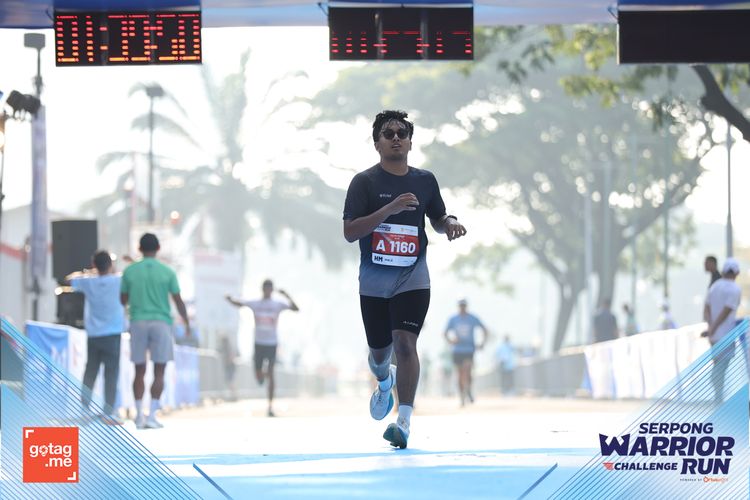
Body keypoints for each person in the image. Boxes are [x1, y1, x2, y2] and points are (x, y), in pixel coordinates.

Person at [342, 110, 467, 449]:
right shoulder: (364, 182)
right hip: (374, 283)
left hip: (413, 277)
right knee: (379, 356)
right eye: (388, 133)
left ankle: (404, 421)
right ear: (377, 143)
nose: (396, 138)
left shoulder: (425, 180)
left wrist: (450, 223)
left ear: (410, 142)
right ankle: (385, 382)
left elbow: (438, 216)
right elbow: (350, 232)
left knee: (405, 344)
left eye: (402, 133)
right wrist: (389, 209)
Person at [121, 233, 190, 429]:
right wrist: (186, 323)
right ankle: (151, 415)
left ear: (139, 248)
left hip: (138, 322)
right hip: (161, 323)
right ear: (158, 248)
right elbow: (178, 300)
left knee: (139, 369)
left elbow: (122, 300)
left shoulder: (130, 271)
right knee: (159, 370)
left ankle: (138, 416)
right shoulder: (167, 272)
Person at [225, 279, 299, 417]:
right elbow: (240, 304)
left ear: (272, 290)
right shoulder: (256, 303)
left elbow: (295, 309)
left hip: (271, 344)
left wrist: (286, 295)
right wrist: (230, 300)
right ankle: (263, 375)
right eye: (266, 288)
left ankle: (270, 406)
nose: (268, 291)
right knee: (259, 377)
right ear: (262, 289)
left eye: (270, 289)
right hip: (259, 343)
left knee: (271, 374)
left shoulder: (277, 304)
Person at [68, 250, 126, 424]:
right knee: (111, 374)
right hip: (113, 334)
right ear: (110, 264)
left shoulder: (88, 282)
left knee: (90, 372)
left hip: (94, 335)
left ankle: (84, 410)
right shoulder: (118, 280)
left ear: (94, 264)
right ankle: (108, 413)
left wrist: (90, 272)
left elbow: (69, 279)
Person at [702, 257, 742, 404]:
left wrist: (710, 326)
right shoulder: (735, 289)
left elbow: (706, 308)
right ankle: (718, 396)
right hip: (726, 334)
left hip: (714, 336)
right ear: (736, 273)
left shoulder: (715, 286)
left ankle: (718, 397)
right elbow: (727, 310)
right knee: (721, 367)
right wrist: (714, 326)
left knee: (718, 363)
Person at [444, 298, 488, 406]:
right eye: (461, 306)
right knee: (459, 374)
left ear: (466, 306)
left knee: (467, 370)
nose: (462, 308)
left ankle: (468, 389)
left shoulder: (472, 318)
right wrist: (451, 341)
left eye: (464, 306)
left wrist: (482, 343)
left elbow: (484, 329)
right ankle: (462, 396)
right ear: (458, 307)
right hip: (457, 350)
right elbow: (445, 333)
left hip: (469, 349)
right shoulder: (453, 319)